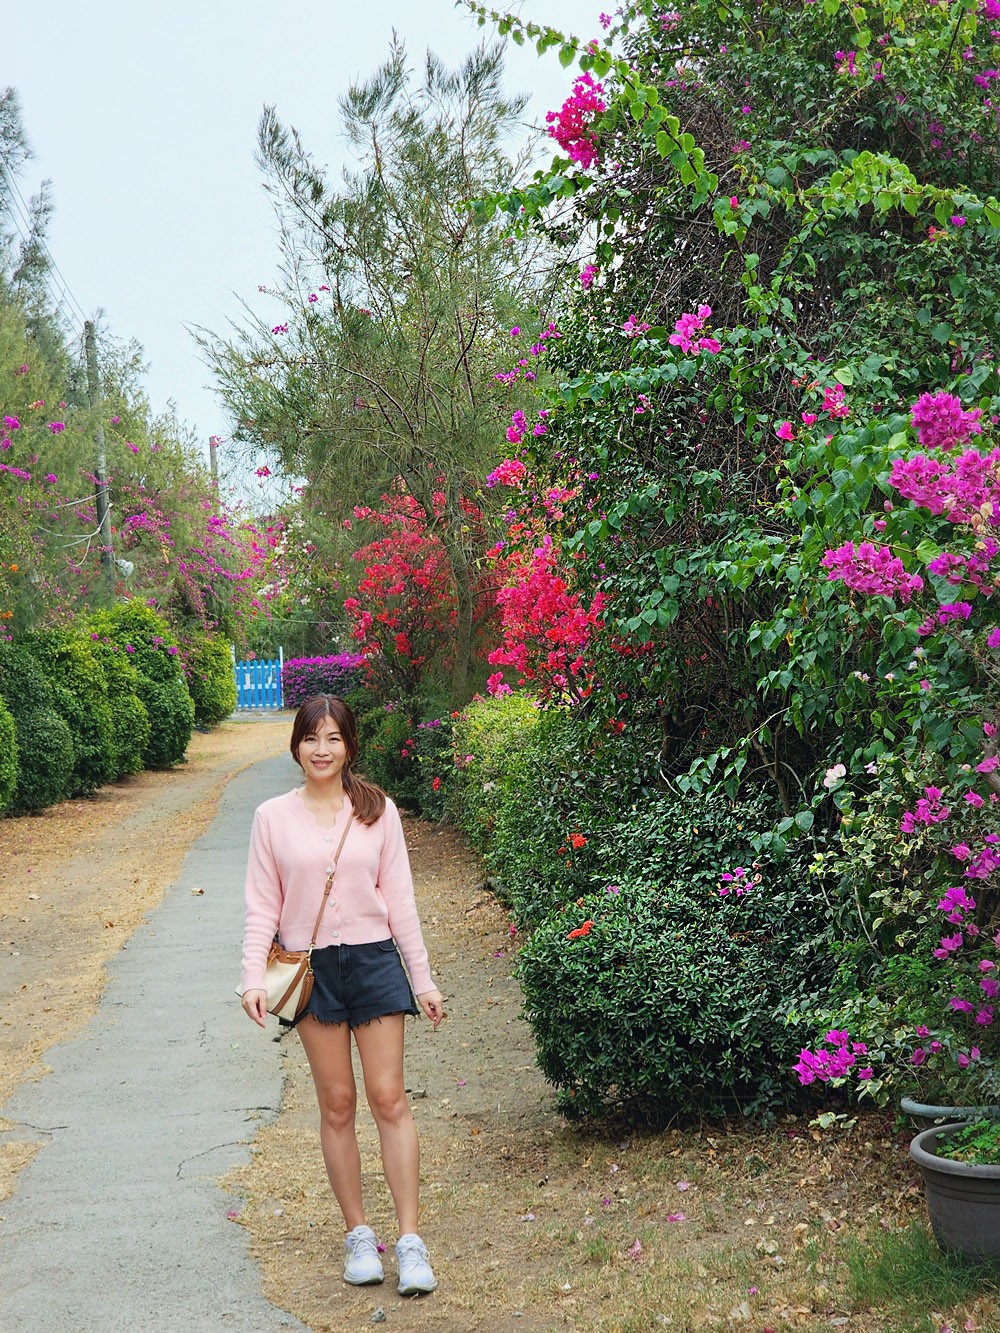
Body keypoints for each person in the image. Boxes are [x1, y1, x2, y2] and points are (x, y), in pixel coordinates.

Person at [239, 694, 445, 1296]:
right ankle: (359, 1235)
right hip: (312, 970)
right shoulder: (271, 819)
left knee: (389, 1097)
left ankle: (410, 1241)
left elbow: (401, 900)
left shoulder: (378, 811)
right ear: (296, 745)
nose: (321, 750)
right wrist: (253, 976)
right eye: (310, 738)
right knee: (336, 1103)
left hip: (375, 960)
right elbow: (261, 907)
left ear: (350, 744)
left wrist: (423, 978)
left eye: (333, 738)